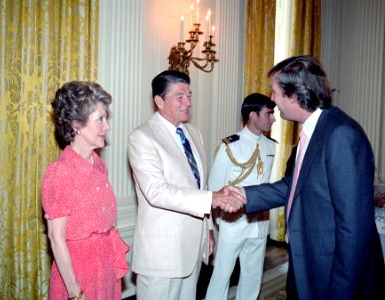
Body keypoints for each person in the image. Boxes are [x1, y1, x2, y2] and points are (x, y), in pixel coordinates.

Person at [236, 55, 385, 299]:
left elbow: (354, 230)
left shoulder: (341, 135)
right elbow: (292, 186)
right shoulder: (314, 131)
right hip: (309, 264)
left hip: (333, 275)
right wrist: (243, 195)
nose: (272, 99)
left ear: (294, 96)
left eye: (274, 92)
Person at [127, 70, 244, 300]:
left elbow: (198, 185)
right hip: (162, 255)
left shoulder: (193, 133)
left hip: (193, 249)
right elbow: (156, 192)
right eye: (180, 96)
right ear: (159, 101)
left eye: (189, 95)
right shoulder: (142, 137)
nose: (188, 102)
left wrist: (208, 230)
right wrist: (213, 198)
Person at [42, 81, 129, 300]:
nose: (107, 126)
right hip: (78, 275)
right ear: (76, 125)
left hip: (106, 268)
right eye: (100, 119)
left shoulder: (99, 164)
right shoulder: (60, 172)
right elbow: (56, 237)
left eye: (106, 118)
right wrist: (75, 293)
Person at [205, 93, 276, 300]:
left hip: (260, 221)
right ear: (253, 115)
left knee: (253, 276)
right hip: (234, 221)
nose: (273, 118)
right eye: (269, 113)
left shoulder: (271, 145)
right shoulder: (231, 145)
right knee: (222, 275)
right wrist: (219, 221)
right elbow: (215, 188)